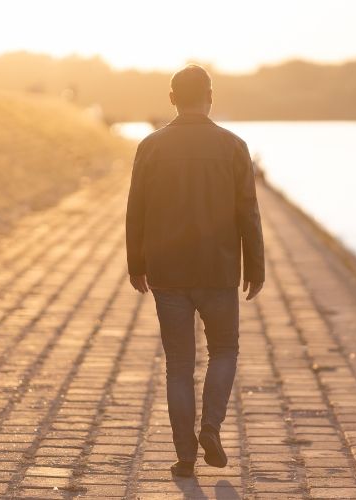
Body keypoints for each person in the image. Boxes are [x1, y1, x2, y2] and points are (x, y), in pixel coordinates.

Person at [125, 64, 265, 477]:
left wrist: (137, 265)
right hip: (219, 271)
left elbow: (136, 212)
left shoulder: (150, 147)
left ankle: (185, 456)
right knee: (225, 351)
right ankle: (211, 428)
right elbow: (249, 213)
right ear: (210, 96)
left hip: (168, 273)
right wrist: (255, 267)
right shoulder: (234, 146)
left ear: (171, 99)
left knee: (179, 366)